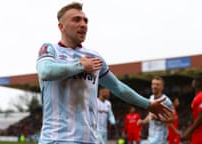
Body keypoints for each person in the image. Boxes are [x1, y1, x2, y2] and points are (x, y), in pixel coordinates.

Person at [36, 2, 172, 144]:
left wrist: (148, 104)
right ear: (61, 26)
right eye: (76, 20)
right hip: (56, 139)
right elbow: (46, 71)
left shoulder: (94, 57)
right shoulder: (50, 49)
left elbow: (117, 87)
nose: (83, 24)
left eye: (85, 20)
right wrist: (79, 66)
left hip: (89, 140)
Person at [137, 76, 175, 144]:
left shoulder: (166, 101)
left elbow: (173, 118)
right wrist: (143, 121)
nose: (154, 86)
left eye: (157, 84)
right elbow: (150, 115)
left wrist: (159, 119)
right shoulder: (151, 98)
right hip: (151, 137)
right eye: (153, 84)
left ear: (162, 87)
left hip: (161, 139)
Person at [182, 75, 202, 144]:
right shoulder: (197, 97)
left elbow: (201, 116)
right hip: (197, 134)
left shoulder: (200, 96)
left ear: (197, 83)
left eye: (193, 80)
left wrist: (189, 131)